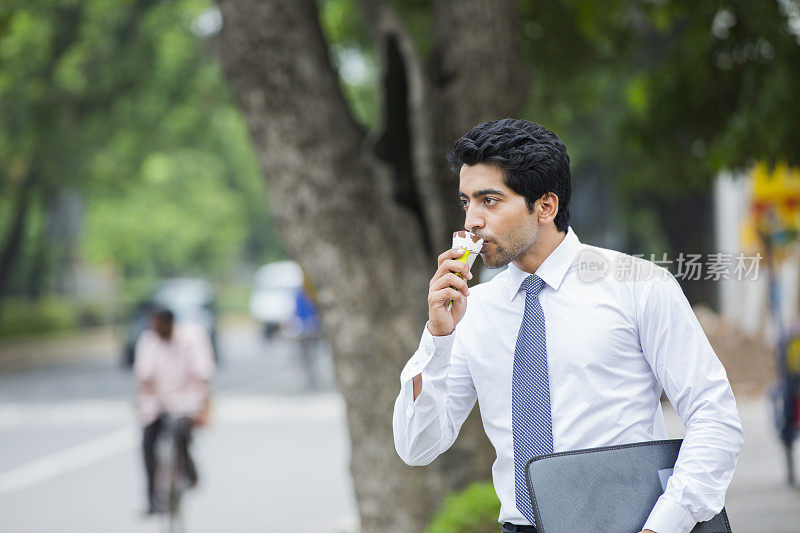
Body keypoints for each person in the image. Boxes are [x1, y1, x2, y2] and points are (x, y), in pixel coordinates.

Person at [392, 119, 744, 533]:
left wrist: (665, 525)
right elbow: (418, 446)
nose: (471, 220)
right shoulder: (473, 312)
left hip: (630, 525)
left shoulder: (638, 286)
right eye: (465, 202)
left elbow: (713, 415)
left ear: (545, 207)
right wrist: (438, 339)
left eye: (489, 201)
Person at [133, 306, 216, 514]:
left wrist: (203, 403)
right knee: (147, 441)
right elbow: (143, 376)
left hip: (187, 402)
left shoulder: (192, 339)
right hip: (157, 403)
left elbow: (204, 371)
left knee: (180, 432)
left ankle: (188, 470)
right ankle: (153, 499)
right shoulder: (148, 341)